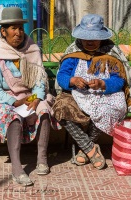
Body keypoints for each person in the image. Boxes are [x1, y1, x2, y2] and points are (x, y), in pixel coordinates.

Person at [0, 7, 61, 186]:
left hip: (30, 96)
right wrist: (16, 102)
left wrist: (35, 99)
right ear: (3, 31)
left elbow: (40, 80)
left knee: (44, 110)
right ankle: (17, 168)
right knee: (14, 117)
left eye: (20, 28)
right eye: (13, 28)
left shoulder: (31, 48)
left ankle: (42, 159)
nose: (18, 33)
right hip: (6, 99)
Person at [53, 14, 131, 170]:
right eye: (86, 38)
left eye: (94, 38)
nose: (89, 42)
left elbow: (119, 80)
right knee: (60, 108)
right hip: (76, 95)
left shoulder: (111, 53)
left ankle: (84, 150)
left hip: (105, 95)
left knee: (108, 109)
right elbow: (62, 76)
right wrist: (72, 81)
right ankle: (90, 148)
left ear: (101, 37)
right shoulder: (73, 52)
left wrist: (103, 83)